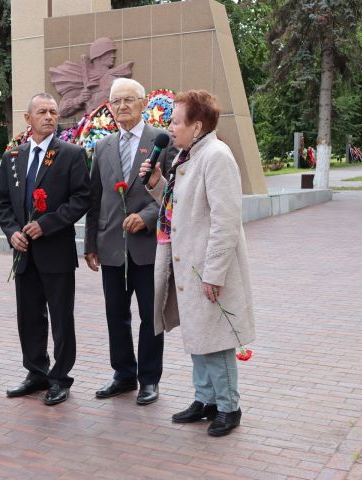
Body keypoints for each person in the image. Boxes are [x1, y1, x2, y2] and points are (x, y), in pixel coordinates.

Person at [140, 89, 255, 436]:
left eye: (176, 121)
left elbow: (226, 220)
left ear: (198, 125)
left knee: (216, 340)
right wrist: (157, 183)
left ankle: (228, 406)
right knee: (198, 335)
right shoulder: (188, 155)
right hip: (187, 263)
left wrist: (215, 272)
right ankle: (205, 399)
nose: (170, 128)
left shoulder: (216, 156)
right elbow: (178, 207)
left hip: (207, 267)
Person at [84, 78, 178, 406]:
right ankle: (123, 375)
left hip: (148, 246)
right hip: (111, 246)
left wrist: (149, 216)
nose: (121, 106)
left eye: (128, 100)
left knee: (151, 317)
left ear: (143, 103)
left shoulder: (162, 142)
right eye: (116, 101)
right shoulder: (102, 146)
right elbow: (95, 199)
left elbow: (172, 192)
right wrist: (90, 244)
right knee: (116, 315)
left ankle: (149, 379)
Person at [0, 93, 91, 405]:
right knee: (29, 316)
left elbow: (80, 198)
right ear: (28, 118)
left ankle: (60, 378)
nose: (49, 116)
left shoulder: (71, 154)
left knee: (61, 318)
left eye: (53, 112)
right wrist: (11, 233)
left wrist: (47, 224)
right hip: (24, 252)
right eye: (42, 112)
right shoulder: (12, 157)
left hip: (55, 251)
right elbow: (3, 203)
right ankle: (36, 371)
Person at [50, 37, 134, 118]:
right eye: (109, 53)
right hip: (92, 125)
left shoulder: (115, 77)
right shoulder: (81, 79)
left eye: (113, 53)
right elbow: (61, 110)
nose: (113, 56)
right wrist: (79, 99)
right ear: (99, 55)